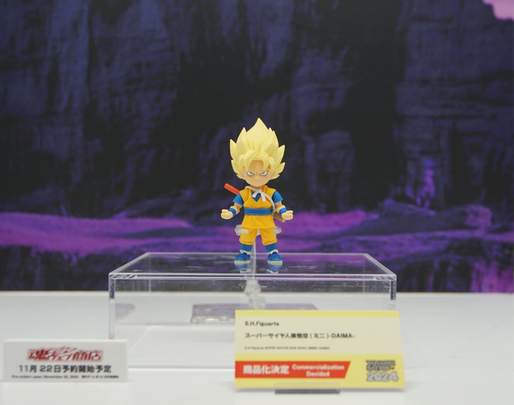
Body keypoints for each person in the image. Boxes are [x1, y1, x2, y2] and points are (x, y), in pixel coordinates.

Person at [221, 118, 293, 273]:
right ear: (241, 172)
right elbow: (236, 207)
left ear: (273, 172)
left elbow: (279, 206)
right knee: (246, 238)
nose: (257, 178)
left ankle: (273, 254)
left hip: (267, 220)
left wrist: (284, 213)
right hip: (249, 221)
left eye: (263, 173)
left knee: (269, 237)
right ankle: (244, 254)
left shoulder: (271, 193)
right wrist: (230, 213)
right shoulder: (244, 193)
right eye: (251, 173)